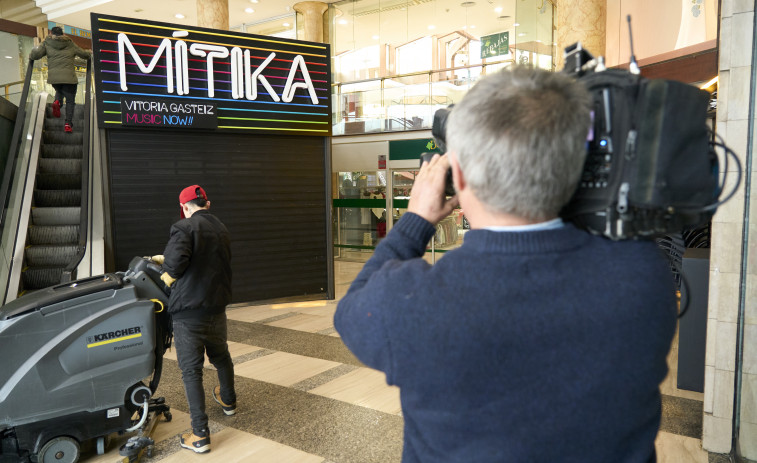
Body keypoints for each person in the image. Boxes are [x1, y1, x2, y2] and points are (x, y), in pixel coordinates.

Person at [334, 67, 677, 463]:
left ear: (457, 173)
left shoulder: (410, 301)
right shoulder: (643, 272)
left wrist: (415, 222)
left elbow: (350, 312)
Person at [152, 185, 235, 454]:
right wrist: (169, 259)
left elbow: (175, 267)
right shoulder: (221, 228)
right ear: (206, 204)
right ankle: (229, 401)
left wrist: (164, 274)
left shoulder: (183, 228)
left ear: (186, 207)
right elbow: (203, 259)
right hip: (216, 308)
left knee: (191, 372)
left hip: (189, 313)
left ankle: (200, 435)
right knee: (221, 357)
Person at [29, 26, 91, 133]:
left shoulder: (47, 43)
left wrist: (42, 42)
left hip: (54, 79)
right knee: (70, 101)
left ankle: (57, 101)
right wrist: (89, 53)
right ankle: (68, 124)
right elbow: (84, 55)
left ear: (50, 33)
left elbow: (35, 55)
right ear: (63, 34)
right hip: (69, 78)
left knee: (59, 90)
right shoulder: (70, 43)